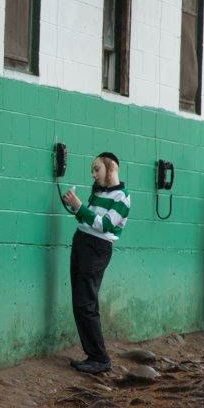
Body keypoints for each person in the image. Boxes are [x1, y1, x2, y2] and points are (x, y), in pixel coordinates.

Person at [61, 152, 130, 375]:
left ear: (111, 168)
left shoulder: (122, 197)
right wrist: (74, 207)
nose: (93, 174)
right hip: (81, 242)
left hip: (97, 248)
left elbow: (106, 225)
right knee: (80, 302)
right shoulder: (98, 191)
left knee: (86, 302)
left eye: (97, 169)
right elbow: (87, 218)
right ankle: (93, 355)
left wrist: (80, 207)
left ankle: (100, 358)